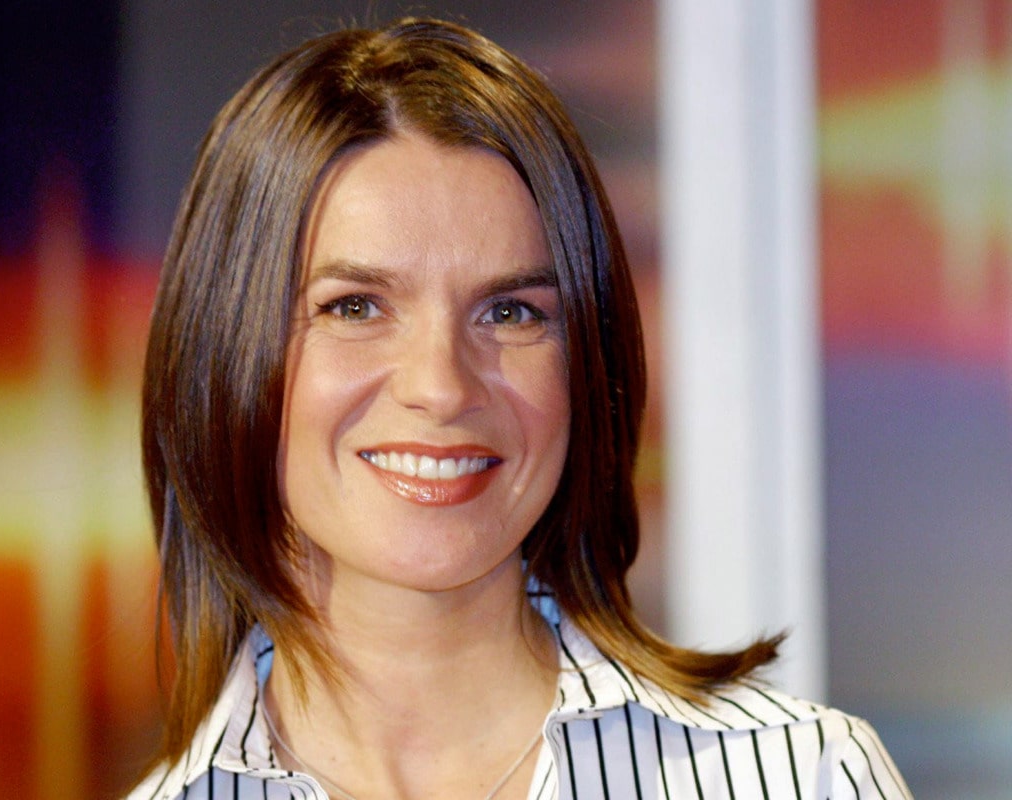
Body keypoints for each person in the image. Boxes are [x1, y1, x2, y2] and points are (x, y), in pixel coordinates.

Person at [129, 17, 910, 800]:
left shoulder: (802, 775)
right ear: (224, 349)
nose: (441, 386)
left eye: (510, 313)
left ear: (587, 361)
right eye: (355, 306)